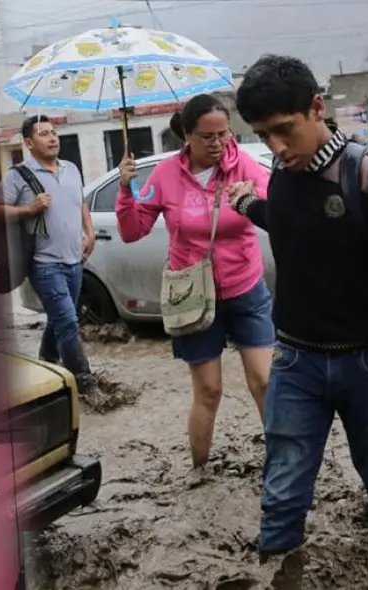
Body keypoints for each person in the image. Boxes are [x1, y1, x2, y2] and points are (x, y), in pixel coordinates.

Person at [231, 55, 368, 577]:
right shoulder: (283, 179)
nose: (276, 147)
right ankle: (276, 570)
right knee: (283, 483)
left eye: (284, 130)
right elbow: (292, 226)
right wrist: (249, 206)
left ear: (316, 108)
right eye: (263, 136)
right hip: (296, 362)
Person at [115, 94, 275, 469]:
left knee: (265, 382)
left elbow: (277, 203)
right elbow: (132, 231)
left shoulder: (244, 167)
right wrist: (125, 190)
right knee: (208, 390)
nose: (218, 143)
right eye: (207, 136)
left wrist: (252, 197)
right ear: (186, 136)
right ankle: (199, 472)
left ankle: (284, 466)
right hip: (192, 296)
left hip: (245, 289)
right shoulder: (166, 176)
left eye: (224, 134)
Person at [0, 115, 98, 391]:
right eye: (43, 134)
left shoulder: (71, 169)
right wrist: (29, 210)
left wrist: (89, 233)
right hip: (44, 264)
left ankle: (48, 359)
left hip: (75, 259)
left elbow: (81, 204)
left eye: (54, 132)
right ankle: (84, 380)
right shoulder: (18, 176)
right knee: (68, 321)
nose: (53, 138)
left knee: (60, 318)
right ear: (29, 143)